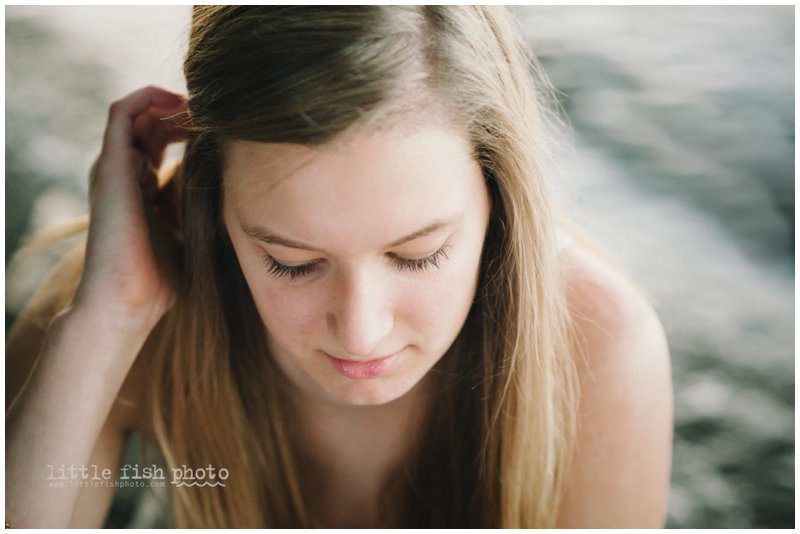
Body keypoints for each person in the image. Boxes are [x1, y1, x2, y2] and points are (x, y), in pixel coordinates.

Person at [5, 6, 673, 528]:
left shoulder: (599, 346)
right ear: (212, 212)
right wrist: (107, 319)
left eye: (418, 255)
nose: (359, 333)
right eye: (291, 262)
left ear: (501, 199)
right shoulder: (127, 309)